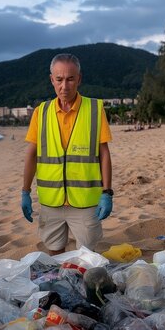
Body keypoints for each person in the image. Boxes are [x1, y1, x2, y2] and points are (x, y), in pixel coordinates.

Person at [21, 53, 113, 255]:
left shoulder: (95, 109)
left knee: (88, 256)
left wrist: (107, 193)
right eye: (59, 79)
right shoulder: (40, 112)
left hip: (86, 201)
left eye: (70, 79)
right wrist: (25, 191)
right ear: (51, 80)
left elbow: (104, 154)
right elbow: (32, 154)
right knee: (54, 251)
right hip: (51, 201)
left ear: (79, 79)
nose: (65, 86)